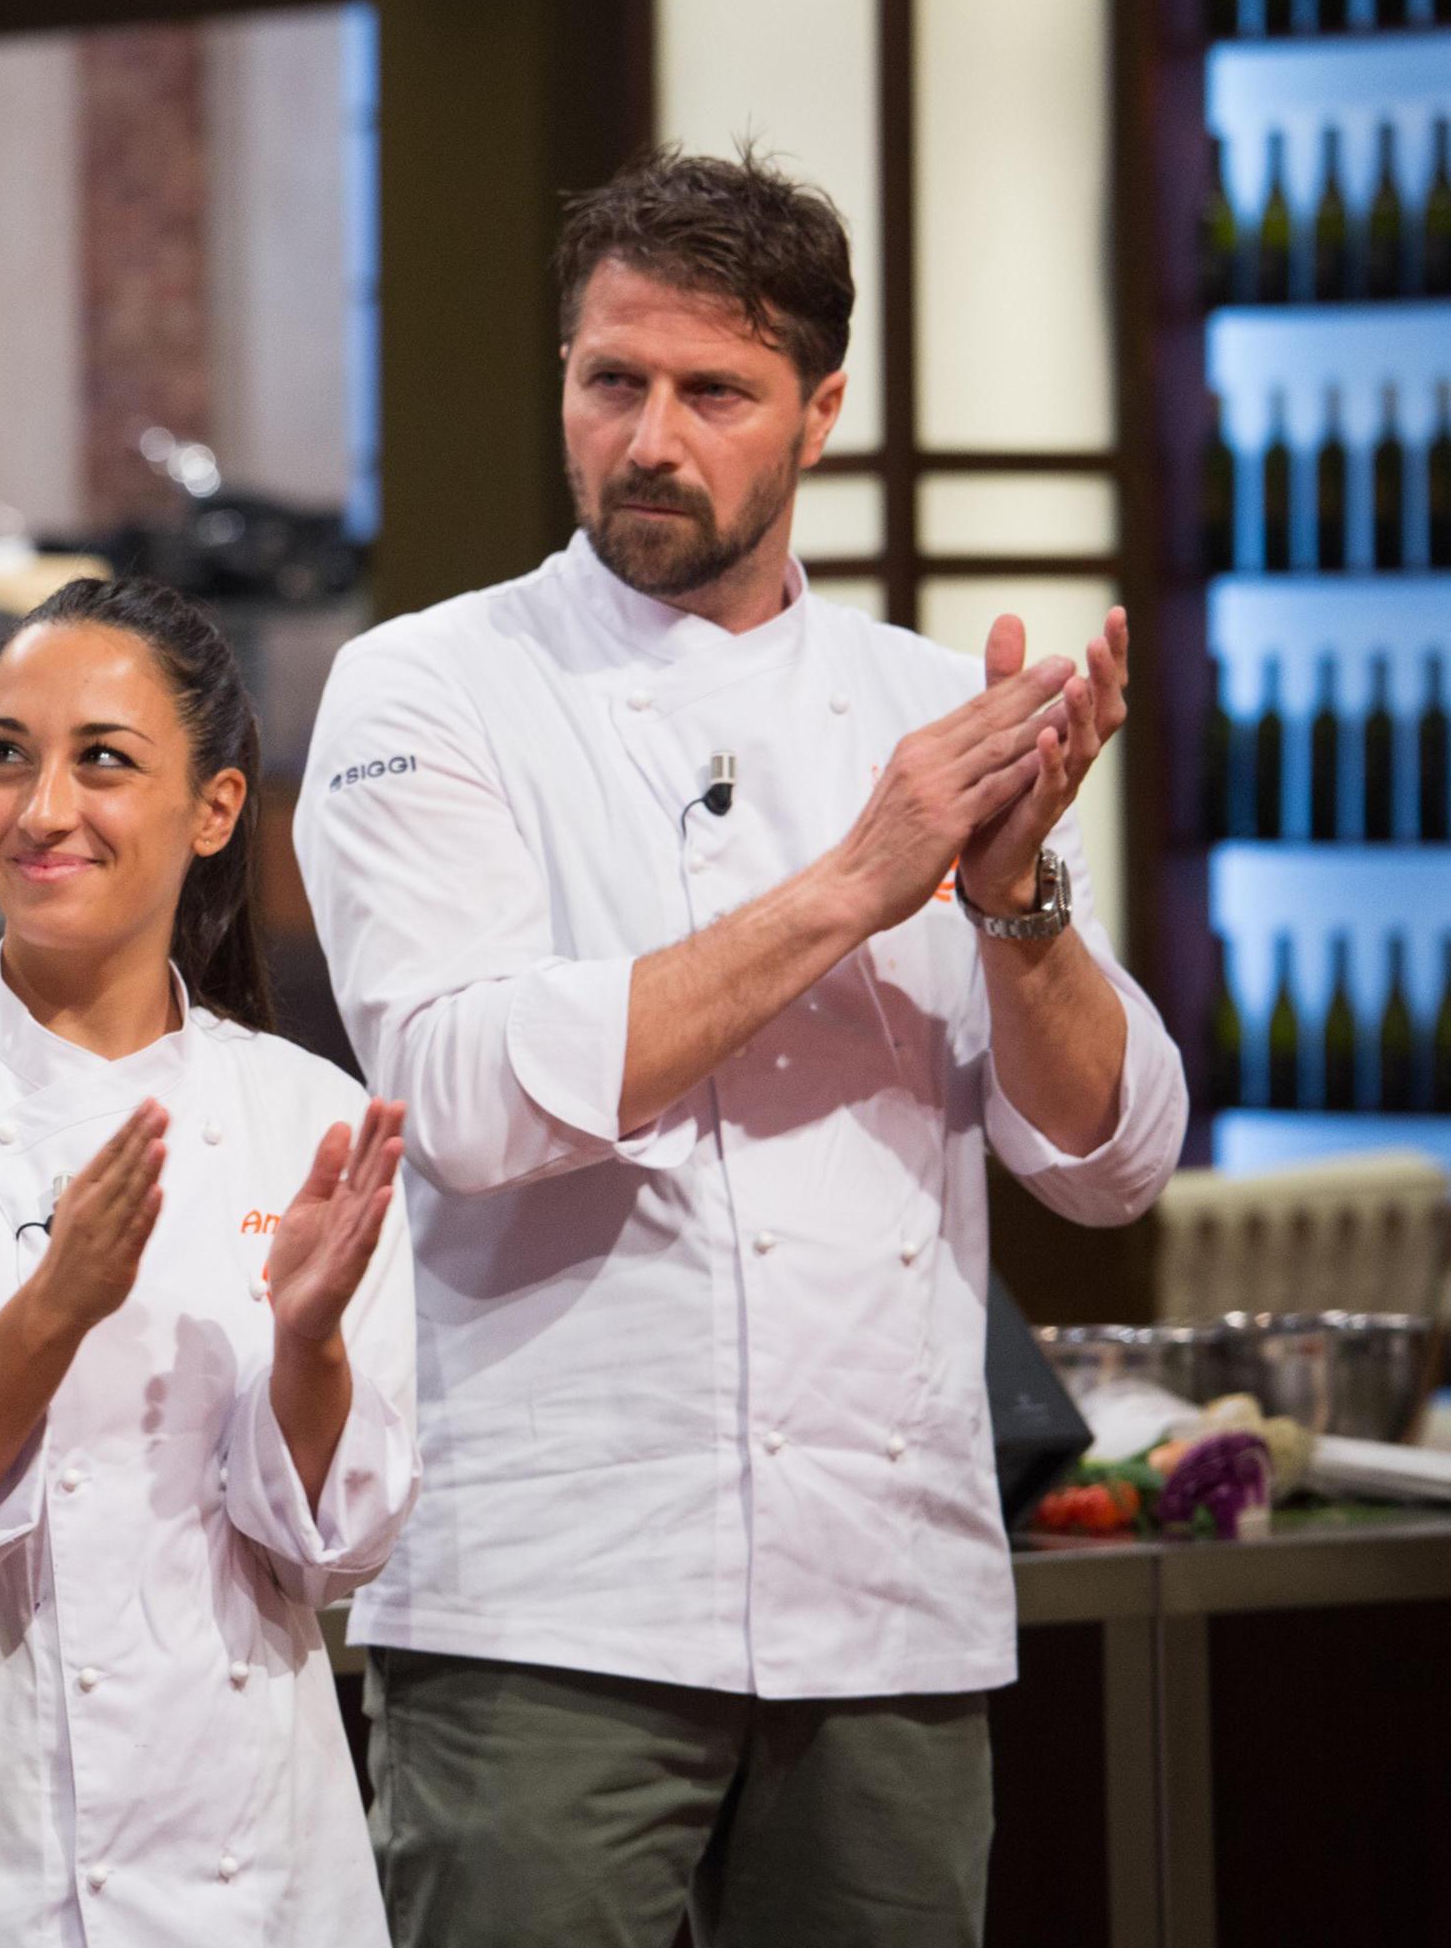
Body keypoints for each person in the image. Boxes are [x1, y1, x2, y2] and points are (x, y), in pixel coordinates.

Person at [296, 146, 1186, 1948]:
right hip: (550, 1604)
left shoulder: (934, 707)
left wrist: (1012, 904)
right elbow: (459, 1095)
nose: (648, 438)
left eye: (714, 392)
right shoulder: (430, 685)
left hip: (886, 1599)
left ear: (821, 412)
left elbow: (1114, 1159)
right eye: (609, 380)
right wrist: (859, 879)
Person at [0, 575, 418, 1946]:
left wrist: (309, 1343)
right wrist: (50, 1314)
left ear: (215, 810)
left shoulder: (309, 1119)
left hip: (246, 1870)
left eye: (102, 761)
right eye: (7, 756)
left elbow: (341, 1551)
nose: (42, 809)